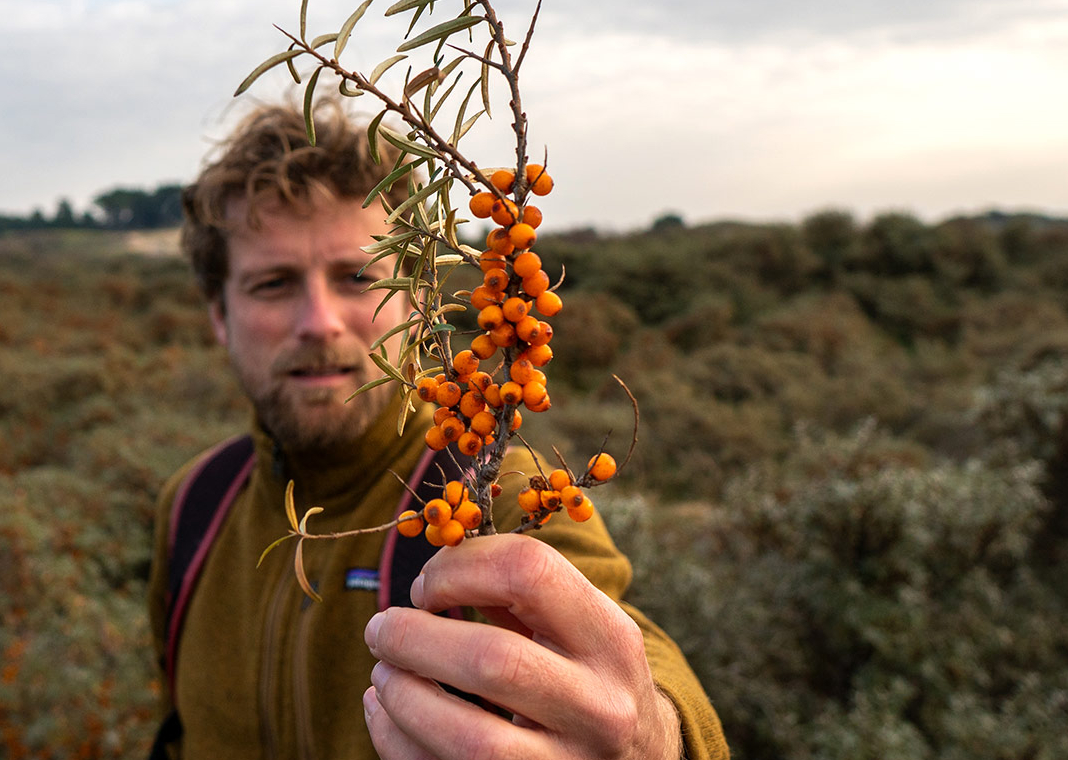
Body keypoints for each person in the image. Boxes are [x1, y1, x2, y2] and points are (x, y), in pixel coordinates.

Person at [146, 101, 727, 760]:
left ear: (420, 300)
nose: (318, 320)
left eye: (357, 276)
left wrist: (650, 737)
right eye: (272, 284)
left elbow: (629, 659)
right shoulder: (192, 505)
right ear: (219, 316)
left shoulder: (507, 495)